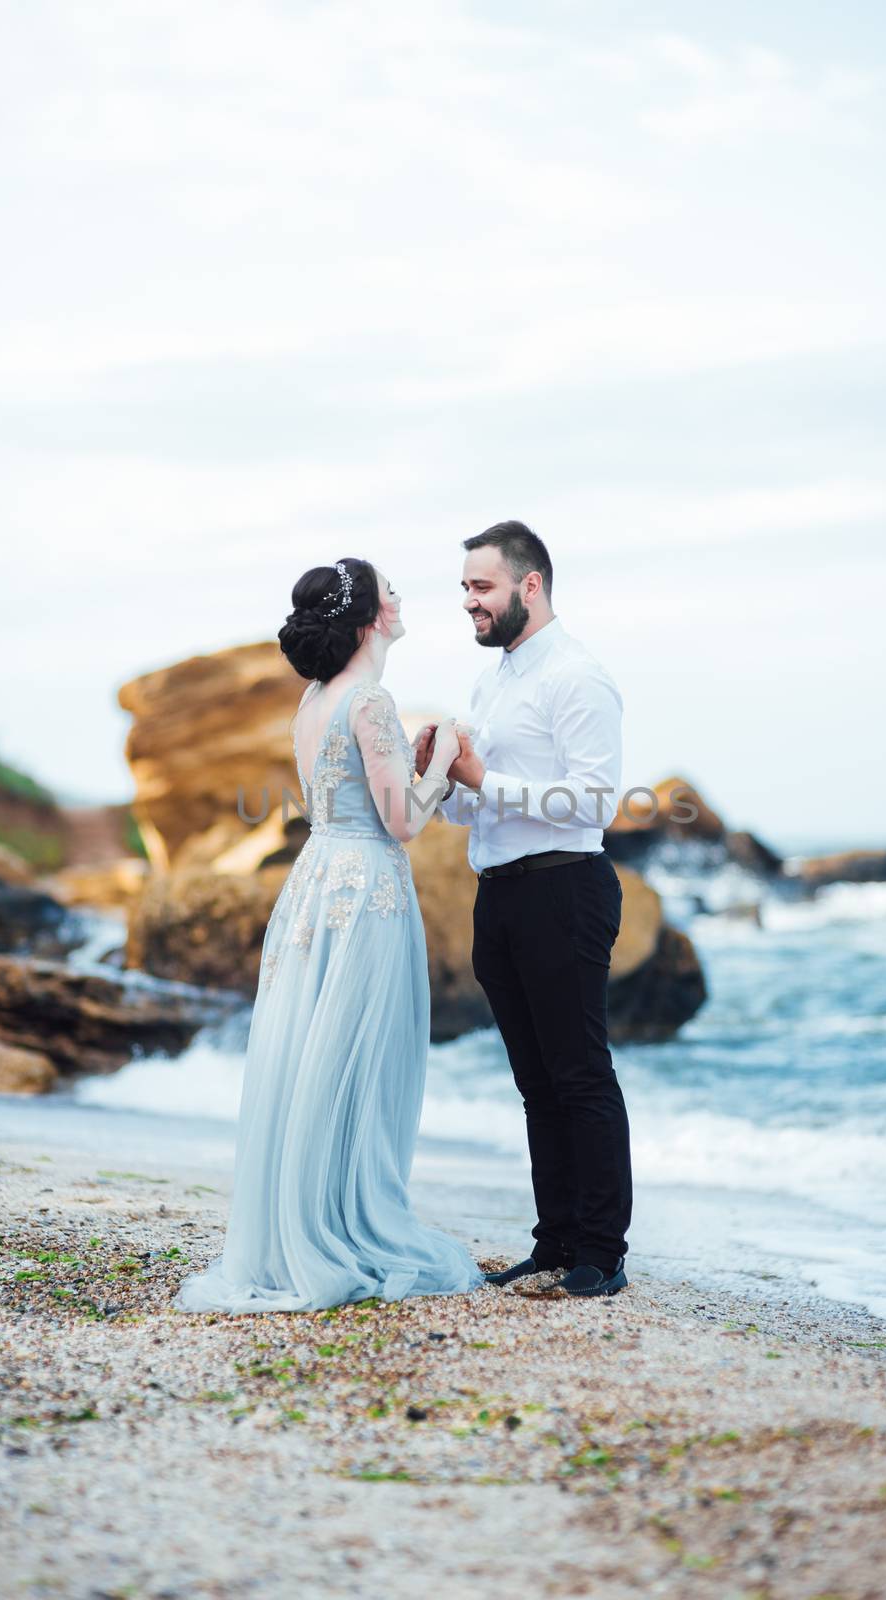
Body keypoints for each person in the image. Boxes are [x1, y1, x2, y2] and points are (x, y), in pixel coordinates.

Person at [173, 557, 483, 1314]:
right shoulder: (370, 701)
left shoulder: (314, 702)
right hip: (367, 888)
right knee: (356, 1059)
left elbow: (349, 802)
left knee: (313, 1052)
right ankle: (344, 1227)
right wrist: (441, 761)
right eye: (390, 591)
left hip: (317, 880)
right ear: (370, 617)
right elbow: (403, 823)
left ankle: (301, 1225)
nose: (401, 599)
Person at [414, 522, 632, 1297]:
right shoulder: (494, 682)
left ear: (529, 585)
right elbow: (479, 812)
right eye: (465, 589)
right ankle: (554, 1239)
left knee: (579, 1075)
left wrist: (484, 780)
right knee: (535, 1081)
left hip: (565, 889)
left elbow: (597, 798)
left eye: (482, 587)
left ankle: (602, 1251)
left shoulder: (577, 676)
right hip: (500, 893)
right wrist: (443, 780)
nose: (469, 602)